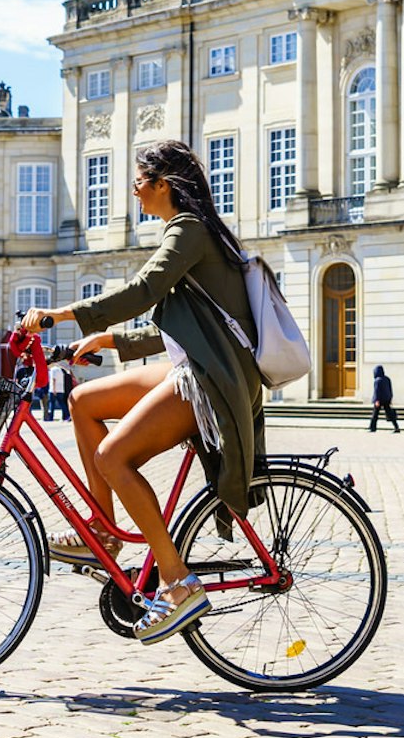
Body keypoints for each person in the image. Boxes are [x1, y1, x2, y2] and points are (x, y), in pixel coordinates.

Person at [19, 139, 261, 647]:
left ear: (163, 185)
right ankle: (103, 532)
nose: (133, 190)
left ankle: (178, 582)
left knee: (113, 455)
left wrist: (62, 314)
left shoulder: (190, 231)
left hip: (208, 381)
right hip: (197, 364)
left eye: (139, 180)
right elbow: (180, 327)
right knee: (83, 402)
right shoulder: (190, 233)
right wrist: (107, 339)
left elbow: (143, 291)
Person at [369, 364, 399, 432]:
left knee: (375, 414)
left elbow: (377, 391)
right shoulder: (387, 379)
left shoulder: (377, 380)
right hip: (386, 399)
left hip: (379, 400)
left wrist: (376, 400)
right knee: (390, 414)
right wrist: (390, 398)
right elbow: (390, 389)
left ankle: (372, 428)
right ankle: (396, 427)